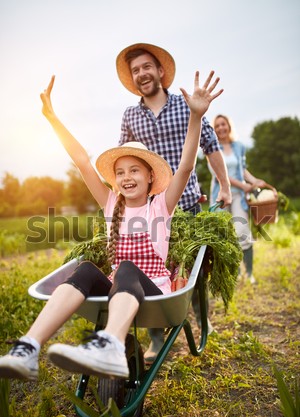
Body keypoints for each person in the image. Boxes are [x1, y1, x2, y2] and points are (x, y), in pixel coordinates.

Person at [0, 70, 223, 381]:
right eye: (120, 172)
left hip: (154, 293)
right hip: (121, 291)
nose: (127, 177)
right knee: (88, 270)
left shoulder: (161, 204)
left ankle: (111, 346)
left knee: (128, 267)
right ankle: (28, 348)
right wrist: (52, 119)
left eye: (135, 170)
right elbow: (80, 160)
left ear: (150, 178)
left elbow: (186, 164)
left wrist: (196, 116)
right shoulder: (110, 204)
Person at [116, 43, 231, 361]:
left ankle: (197, 315)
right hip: (148, 210)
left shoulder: (185, 105)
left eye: (147, 67)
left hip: (188, 206)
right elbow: (123, 161)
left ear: (160, 71)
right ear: (133, 78)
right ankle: (156, 335)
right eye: (136, 70)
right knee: (149, 268)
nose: (142, 74)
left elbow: (209, 144)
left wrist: (224, 185)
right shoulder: (130, 116)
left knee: (191, 271)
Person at [210, 114, 269, 284]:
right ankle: (231, 274)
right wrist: (243, 185)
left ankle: (249, 273)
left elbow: (243, 170)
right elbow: (219, 174)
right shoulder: (212, 148)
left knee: (242, 232)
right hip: (221, 195)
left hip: (238, 197)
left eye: (223, 124)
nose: (221, 128)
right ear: (214, 130)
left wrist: (254, 181)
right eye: (217, 126)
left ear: (229, 126)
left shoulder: (239, 147)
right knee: (224, 235)